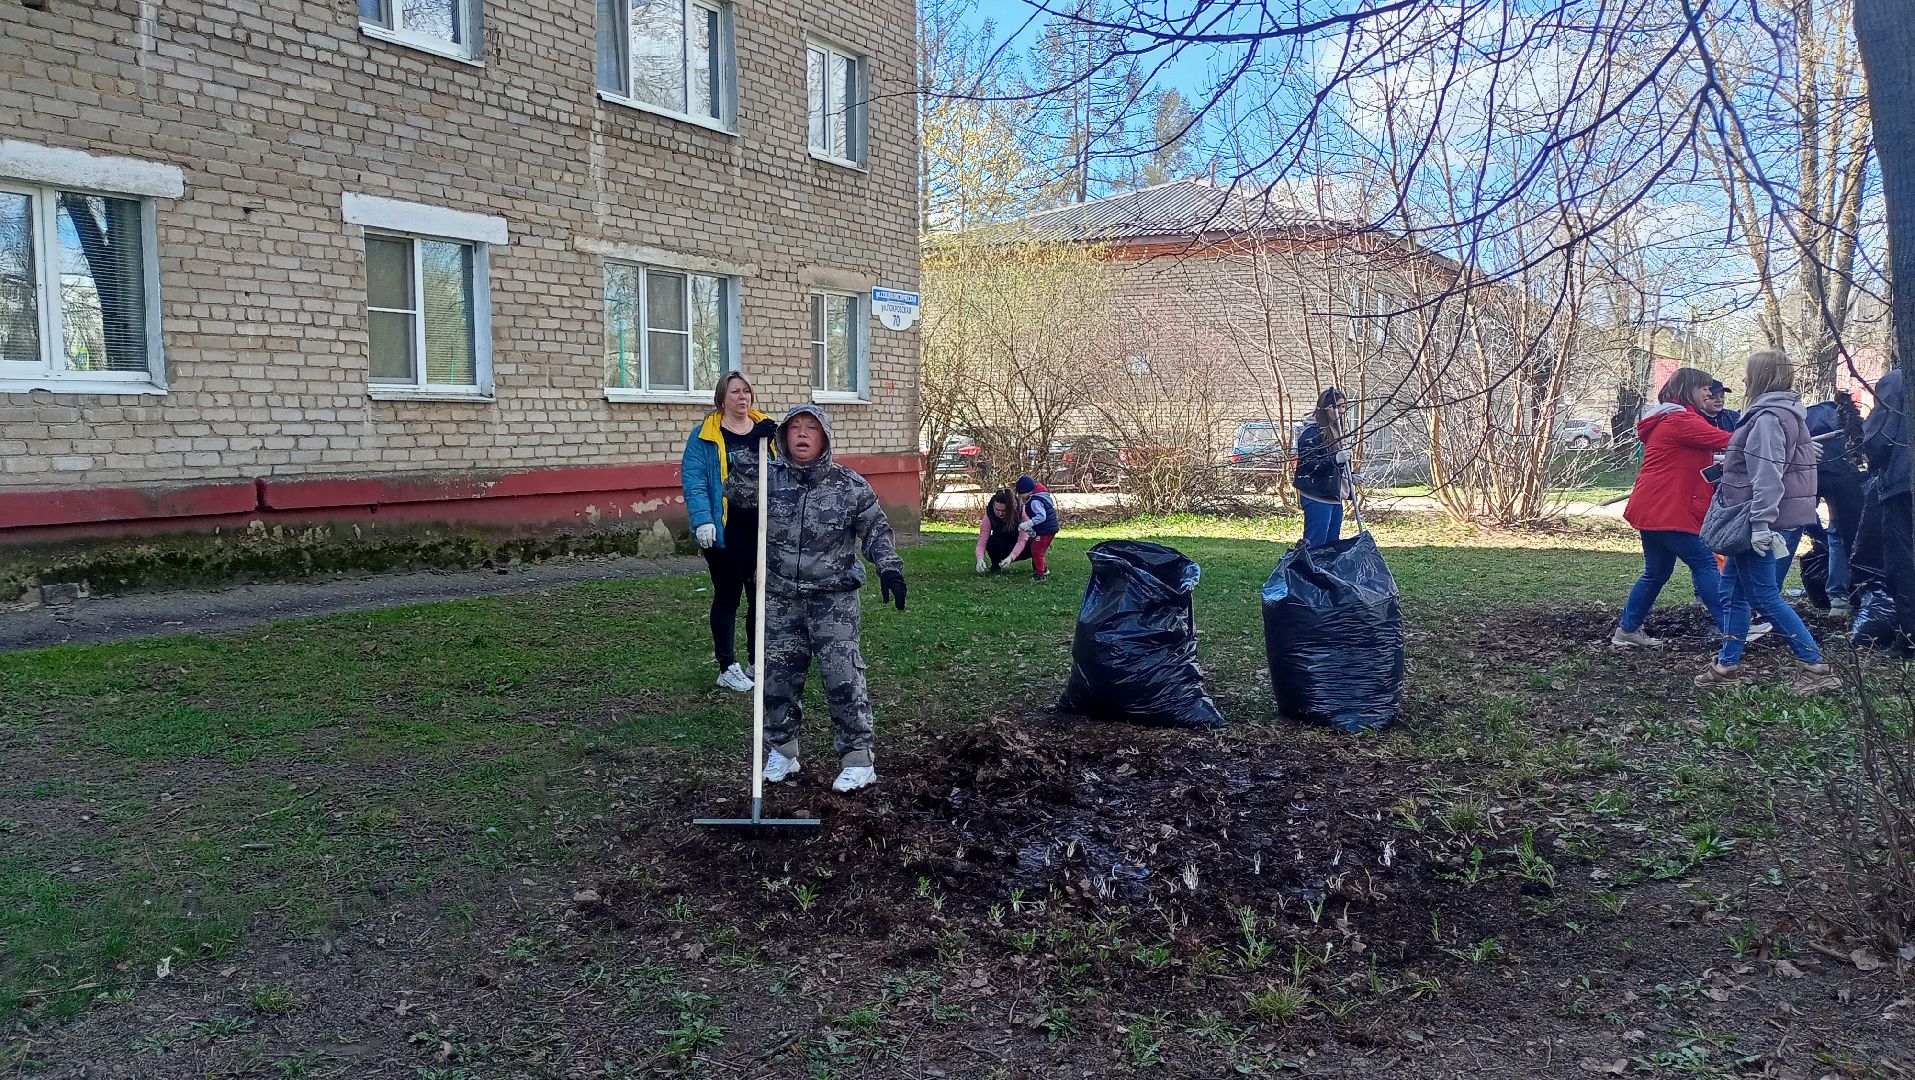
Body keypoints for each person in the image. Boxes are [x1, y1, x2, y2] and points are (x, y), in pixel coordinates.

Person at [758, 405, 907, 794]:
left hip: (833, 601)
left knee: (842, 677)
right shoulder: (766, 478)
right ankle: (782, 750)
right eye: (795, 429)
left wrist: (889, 568)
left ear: (824, 437)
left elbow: (875, 530)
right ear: (784, 437)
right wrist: (747, 444)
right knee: (777, 679)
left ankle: (859, 759)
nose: (802, 435)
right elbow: (733, 489)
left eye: (811, 429)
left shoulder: (849, 485)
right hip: (780, 598)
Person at [1695, 351, 1840, 692]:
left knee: (1763, 596)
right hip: (1764, 519)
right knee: (1732, 591)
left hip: (1761, 522)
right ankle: (1726, 667)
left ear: (1762, 377)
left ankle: (1816, 668)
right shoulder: (1788, 414)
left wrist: (1761, 524)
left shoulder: (1767, 418)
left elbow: (1769, 476)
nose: (1744, 381)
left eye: (1748, 374)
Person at [1613, 368, 1733, 647]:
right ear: (1687, 390)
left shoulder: (1670, 419)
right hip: (1667, 509)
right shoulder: (1681, 419)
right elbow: (1730, 440)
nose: (1709, 392)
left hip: (1653, 507)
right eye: (1704, 388)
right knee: (1704, 562)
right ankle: (1734, 629)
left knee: (1656, 572)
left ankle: (1627, 631)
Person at [682, 372, 777, 693]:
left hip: (761, 527)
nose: (743, 396)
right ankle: (727, 666)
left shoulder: (766, 429)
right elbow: (694, 481)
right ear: (722, 398)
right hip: (724, 529)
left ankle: (756, 660)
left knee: (759, 597)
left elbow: (782, 472)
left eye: (747, 391)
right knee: (728, 596)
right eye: (735, 391)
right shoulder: (705, 435)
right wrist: (701, 520)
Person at [1857, 367, 1913, 650]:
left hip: (1903, 485)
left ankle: (1910, 641)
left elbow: (1879, 436)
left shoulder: (1898, 379)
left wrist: (1868, 459)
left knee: (1904, 562)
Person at [1295, 388, 1352, 547]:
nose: (1340, 411)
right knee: (1315, 545)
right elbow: (1309, 465)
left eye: (1342, 407)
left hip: (1333, 496)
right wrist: (1336, 458)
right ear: (1324, 408)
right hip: (1317, 495)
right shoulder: (1312, 433)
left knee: (1330, 546)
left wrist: (1349, 476)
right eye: (1336, 407)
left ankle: (1323, 572)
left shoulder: (1337, 431)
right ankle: (1307, 571)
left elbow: (1335, 465)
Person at [1014, 474, 1061, 580]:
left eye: (1021, 494)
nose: (1021, 497)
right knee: (1037, 549)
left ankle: (1040, 574)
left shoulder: (1035, 501)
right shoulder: (1041, 496)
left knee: (1037, 551)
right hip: (1046, 529)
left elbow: (1041, 517)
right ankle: (1044, 569)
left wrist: (1027, 524)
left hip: (1046, 530)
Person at [976, 488, 1031, 573]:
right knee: (992, 541)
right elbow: (982, 540)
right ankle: (995, 565)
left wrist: (1011, 557)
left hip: (1022, 547)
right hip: (1002, 544)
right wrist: (980, 559)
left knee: (1036, 542)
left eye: (1004, 511)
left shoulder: (1021, 512)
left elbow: (1022, 540)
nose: (1000, 513)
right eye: (997, 510)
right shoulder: (989, 513)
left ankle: (1039, 566)